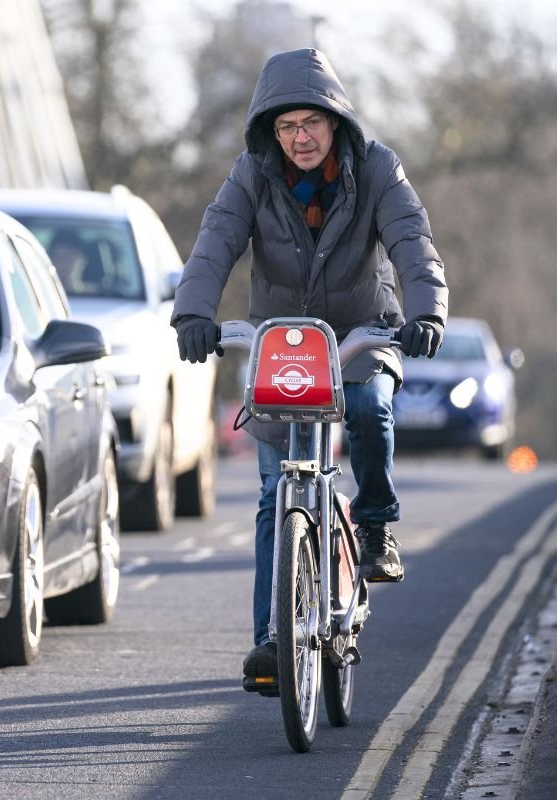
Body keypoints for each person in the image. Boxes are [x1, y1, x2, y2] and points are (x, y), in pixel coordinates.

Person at [170, 49, 448, 686]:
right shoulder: (251, 175)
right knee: (275, 492)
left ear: (335, 121)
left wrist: (425, 311)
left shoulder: (377, 168)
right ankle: (271, 640)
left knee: (372, 409)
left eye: (311, 124)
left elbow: (411, 239)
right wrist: (193, 313)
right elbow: (215, 240)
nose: (300, 138)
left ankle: (375, 526)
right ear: (271, 132)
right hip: (283, 346)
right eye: (286, 126)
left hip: (360, 333)